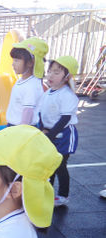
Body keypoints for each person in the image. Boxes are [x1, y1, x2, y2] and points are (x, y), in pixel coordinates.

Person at [38, 56, 79, 207]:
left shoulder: (67, 95)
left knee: (60, 165)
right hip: (51, 133)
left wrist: (51, 135)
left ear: (67, 76)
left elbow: (65, 118)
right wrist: (42, 129)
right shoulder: (48, 92)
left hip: (64, 136)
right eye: (50, 71)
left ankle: (63, 195)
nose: (50, 75)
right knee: (49, 165)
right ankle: (48, 193)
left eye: (56, 72)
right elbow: (42, 113)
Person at [6, 37, 48, 126]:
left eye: (17, 60)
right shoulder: (24, 80)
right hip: (14, 126)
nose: (13, 63)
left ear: (30, 63)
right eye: (13, 60)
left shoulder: (31, 86)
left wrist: (22, 131)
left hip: (21, 129)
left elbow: (28, 111)